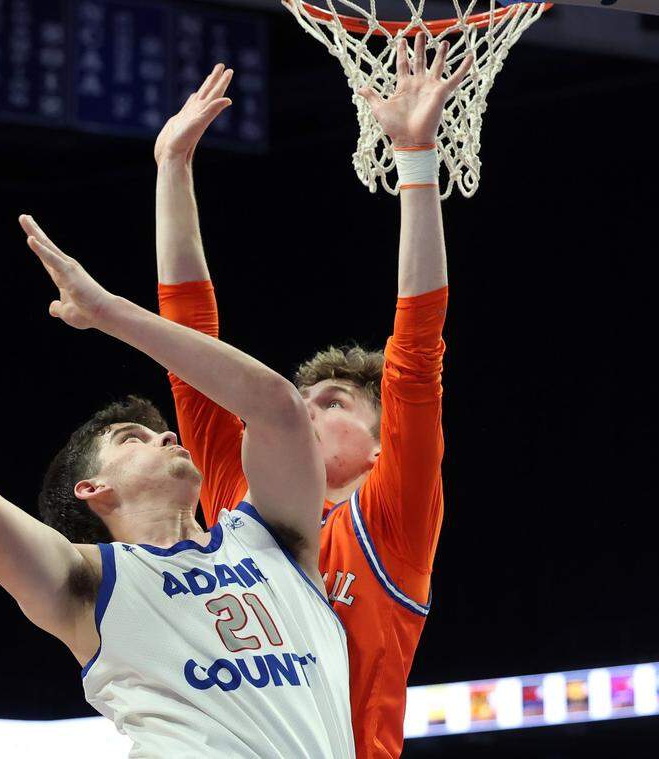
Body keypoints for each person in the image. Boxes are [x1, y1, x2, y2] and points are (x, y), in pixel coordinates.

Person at [0, 213, 355, 757]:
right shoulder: (92, 582)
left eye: (159, 430)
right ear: (92, 488)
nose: (166, 435)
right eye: (133, 438)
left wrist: (108, 313)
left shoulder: (272, 539)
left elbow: (279, 409)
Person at [152, 36, 471, 759]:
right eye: (302, 396)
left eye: (332, 403)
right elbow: (188, 350)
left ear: (383, 443)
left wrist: (417, 162)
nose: (304, 408)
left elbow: (417, 351)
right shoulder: (240, 493)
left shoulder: (390, 521)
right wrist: (172, 166)